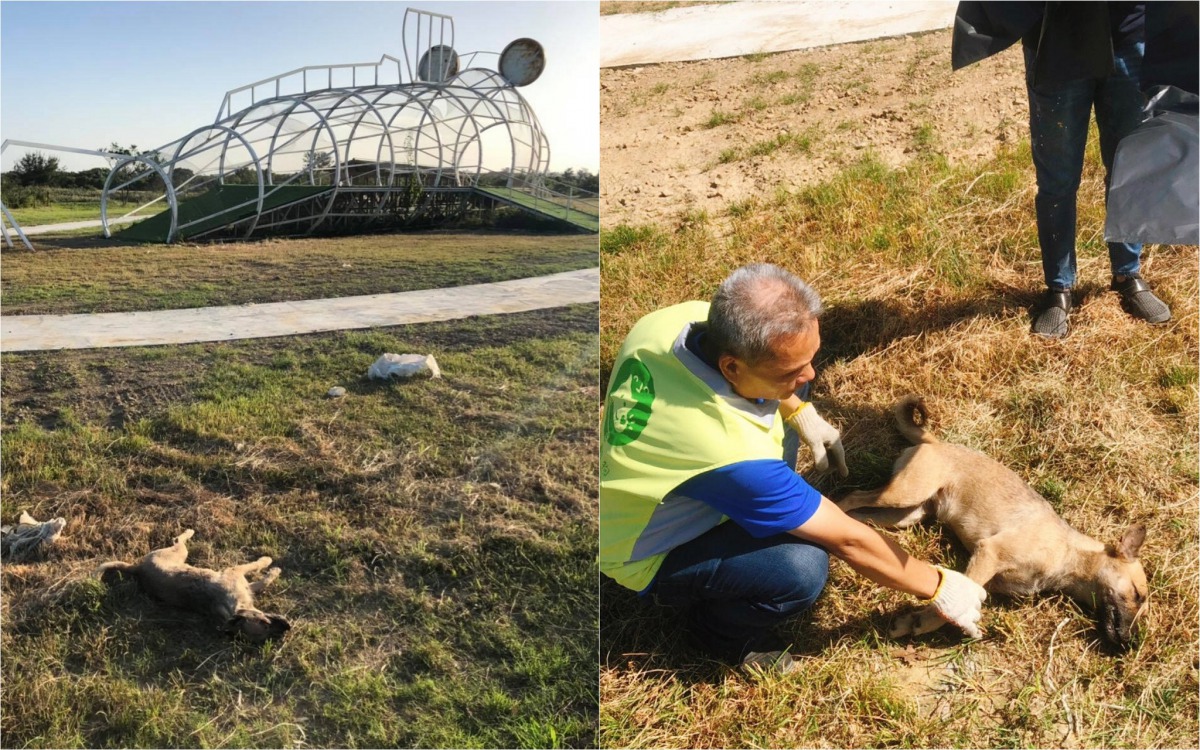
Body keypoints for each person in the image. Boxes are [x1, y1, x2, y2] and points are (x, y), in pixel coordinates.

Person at [599, 263, 987, 673]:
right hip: (645, 551)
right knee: (798, 567)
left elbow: (775, 376)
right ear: (731, 367)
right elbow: (849, 540)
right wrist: (938, 585)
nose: (810, 373)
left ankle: (767, 491)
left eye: (812, 356)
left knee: (791, 385)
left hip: (664, 487)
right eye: (789, 371)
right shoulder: (729, 451)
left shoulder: (669, 323)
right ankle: (719, 637)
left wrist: (800, 411)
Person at [952, 2, 1172, 338]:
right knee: (1057, 177)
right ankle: (1059, 288)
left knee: (1130, 167)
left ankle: (1127, 273)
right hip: (1056, 38)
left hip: (1130, 35)